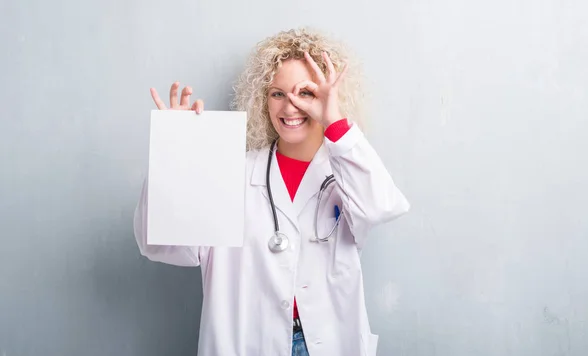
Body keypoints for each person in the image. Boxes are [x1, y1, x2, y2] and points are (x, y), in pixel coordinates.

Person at [133, 27, 410, 356]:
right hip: (248, 341)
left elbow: (381, 206)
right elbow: (160, 244)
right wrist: (174, 155)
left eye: (304, 93)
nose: (289, 107)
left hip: (326, 343)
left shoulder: (347, 173)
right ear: (263, 99)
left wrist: (335, 122)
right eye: (278, 93)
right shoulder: (229, 171)